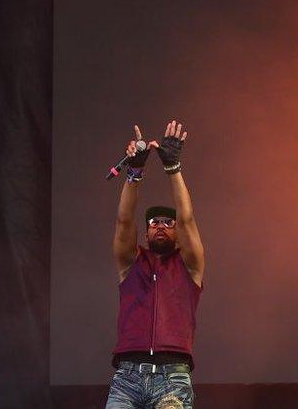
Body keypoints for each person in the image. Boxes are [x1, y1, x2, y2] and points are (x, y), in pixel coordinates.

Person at [105, 121, 205, 409]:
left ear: (175, 232)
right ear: (146, 233)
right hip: (127, 378)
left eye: (167, 223)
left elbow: (188, 219)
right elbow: (124, 221)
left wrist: (173, 168)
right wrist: (133, 173)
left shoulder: (190, 266)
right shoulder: (131, 263)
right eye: (153, 223)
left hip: (171, 378)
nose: (161, 226)